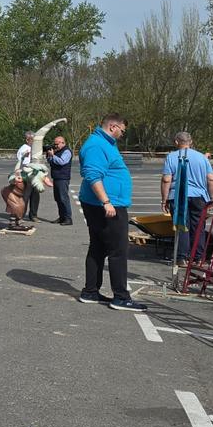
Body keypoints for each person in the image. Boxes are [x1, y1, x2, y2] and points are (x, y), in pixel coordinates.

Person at [77, 113, 146, 312]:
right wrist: (106, 202)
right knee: (118, 249)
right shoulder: (97, 145)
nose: (123, 135)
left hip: (105, 203)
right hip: (107, 205)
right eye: (122, 131)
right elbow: (93, 175)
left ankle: (90, 291)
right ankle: (120, 297)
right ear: (113, 127)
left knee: (98, 247)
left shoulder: (104, 143)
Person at [161, 131, 213, 266]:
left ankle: (181, 257)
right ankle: (198, 257)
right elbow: (210, 179)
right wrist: (211, 197)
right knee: (198, 227)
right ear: (190, 142)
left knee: (181, 225)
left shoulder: (171, 157)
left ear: (176, 142)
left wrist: (164, 199)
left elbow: (167, 179)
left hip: (178, 195)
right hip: (199, 195)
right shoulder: (202, 158)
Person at [46, 135, 73, 225]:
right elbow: (51, 161)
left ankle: (68, 218)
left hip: (63, 178)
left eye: (57, 144)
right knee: (58, 199)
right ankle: (62, 217)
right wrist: (49, 156)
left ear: (62, 142)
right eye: (55, 144)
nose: (55, 146)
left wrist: (53, 155)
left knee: (63, 198)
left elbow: (62, 162)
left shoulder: (67, 151)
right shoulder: (57, 151)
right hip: (56, 177)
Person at [16, 131, 40, 221]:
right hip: (27, 174)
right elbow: (23, 161)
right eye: (32, 139)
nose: (34, 141)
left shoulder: (34, 148)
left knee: (35, 195)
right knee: (25, 196)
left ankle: (33, 215)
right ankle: (20, 215)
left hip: (35, 174)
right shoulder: (24, 148)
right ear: (27, 140)